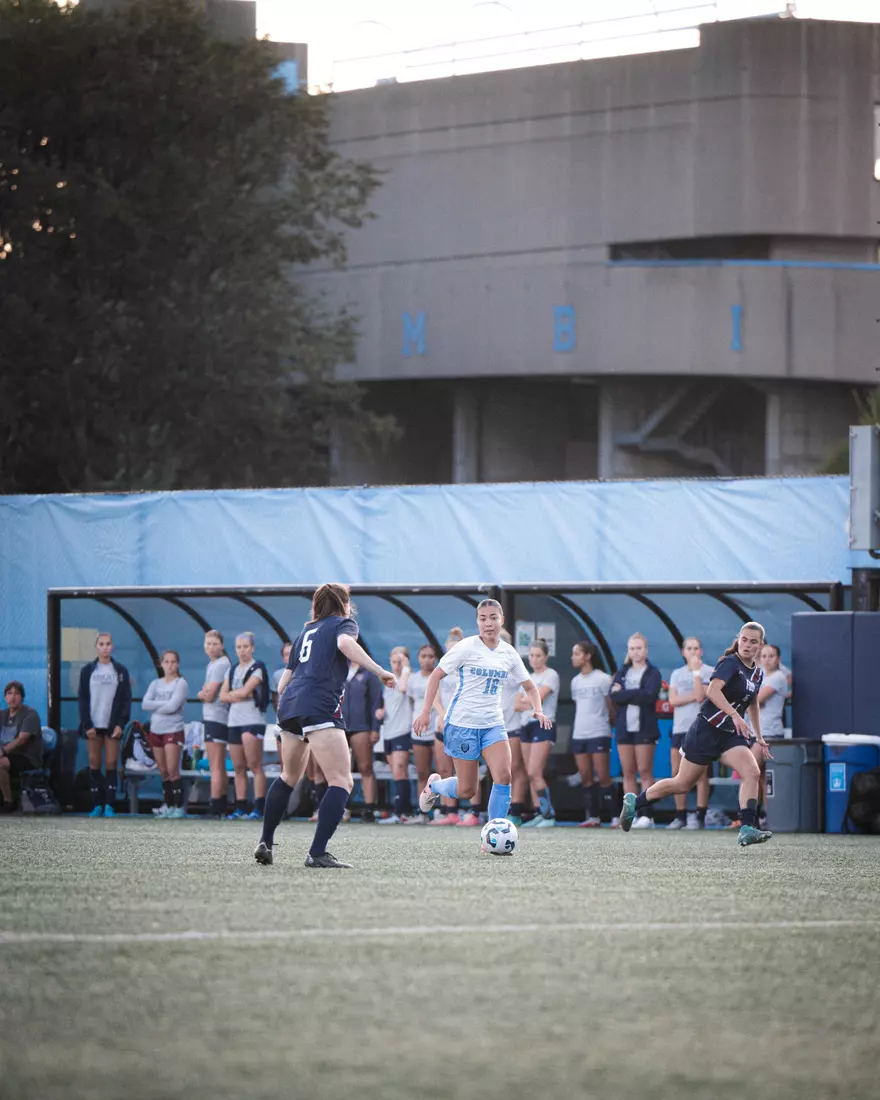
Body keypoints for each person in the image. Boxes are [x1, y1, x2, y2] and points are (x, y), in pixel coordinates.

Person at [254, 582, 396, 868]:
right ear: (344, 604)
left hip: (290, 705)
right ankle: (317, 852)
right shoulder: (343, 625)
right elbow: (344, 645)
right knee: (342, 781)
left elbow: (283, 683)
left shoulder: (304, 632)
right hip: (319, 706)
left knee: (288, 777)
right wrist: (380, 671)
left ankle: (266, 841)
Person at [619, 621, 773, 847]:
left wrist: (759, 736)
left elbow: (752, 705)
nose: (747, 645)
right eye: (744, 640)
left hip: (729, 735)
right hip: (706, 731)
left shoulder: (757, 674)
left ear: (760, 646)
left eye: (752, 642)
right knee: (682, 784)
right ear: (738, 639)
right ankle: (635, 801)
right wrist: (733, 714)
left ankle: (747, 827)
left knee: (752, 771)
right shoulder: (730, 663)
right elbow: (712, 691)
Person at [414, 599, 551, 829]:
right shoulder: (466, 647)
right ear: (477, 622)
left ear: (502, 620)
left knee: (504, 776)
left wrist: (538, 710)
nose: (488, 623)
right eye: (483, 618)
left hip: (493, 725)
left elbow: (529, 686)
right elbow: (435, 676)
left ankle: (493, 832)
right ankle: (434, 787)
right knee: (468, 789)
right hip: (462, 724)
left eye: (493, 618)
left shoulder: (508, 653)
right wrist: (425, 712)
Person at [77, 632, 132, 818]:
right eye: (101, 644)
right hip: (93, 724)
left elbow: (126, 699)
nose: (105, 647)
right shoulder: (87, 671)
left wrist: (120, 724)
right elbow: (82, 699)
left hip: (111, 724)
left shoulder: (120, 670)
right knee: (94, 763)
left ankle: (109, 804)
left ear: (112, 646)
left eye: (108, 643)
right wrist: (87, 724)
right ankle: (97, 805)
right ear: (96, 647)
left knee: (110, 763)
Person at [610, 633, 661, 829]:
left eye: (639, 648)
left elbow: (649, 696)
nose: (636, 652)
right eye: (632, 648)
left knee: (645, 771)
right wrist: (628, 695)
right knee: (628, 773)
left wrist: (624, 694)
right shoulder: (623, 671)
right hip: (624, 729)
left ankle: (647, 815)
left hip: (644, 728)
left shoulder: (653, 672)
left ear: (645, 650)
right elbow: (613, 697)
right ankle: (629, 815)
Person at [220, 632, 269, 820]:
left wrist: (237, 694)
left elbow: (247, 690)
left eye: (245, 647)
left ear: (252, 648)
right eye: (239, 647)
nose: (242, 651)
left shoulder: (258, 667)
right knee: (238, 767)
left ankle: (259, 808)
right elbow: (222, 696)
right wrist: (239, 694)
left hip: (252, 721)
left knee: (254, 765)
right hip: (234, 722)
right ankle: (240, 807)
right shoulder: (231, 670)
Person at [667, 637, 714, 830]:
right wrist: (690, 697)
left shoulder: (709, 671)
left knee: (700, 775)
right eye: (689, 648)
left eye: (696, 648)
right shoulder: (676, 674)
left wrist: (696, 673)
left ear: (701, 651)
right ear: (683, 652)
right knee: (676, 772)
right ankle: (680, 815)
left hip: (700, 728)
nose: (693, 652)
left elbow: (701, 696)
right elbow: (673, 700)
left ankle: (700, 815)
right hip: (679, 728)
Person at [569, 641, 615, 827]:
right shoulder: (575, 681)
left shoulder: (603, 679)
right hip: (579, 734)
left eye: (577, 653)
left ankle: (614, 817)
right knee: (586, 777)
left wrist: (607, 726)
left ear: (588, 656)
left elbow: (611, 707)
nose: (573, 658)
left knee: (603, 776)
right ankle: (593, 817)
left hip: (599, 732)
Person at [517, 639, 560, 828]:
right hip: (526, 725)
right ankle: (538, 813)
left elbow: (538, 699)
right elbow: (517, 705)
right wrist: (530, 701)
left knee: (535, 772)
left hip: (543, 724)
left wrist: (530, 701)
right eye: (532, 655)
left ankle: (549, 814)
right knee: (529, 773)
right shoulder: (527, 677)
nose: (534, 659)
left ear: (546, 657)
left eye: (538, 656)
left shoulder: (551, 675)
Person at [142, 651, 189, 819]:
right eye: (166, 662)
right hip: (156, 730)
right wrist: (163, 704)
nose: (170, 665)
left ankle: (179, 807)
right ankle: (168, 805)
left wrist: (156, 706)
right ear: (161, 664)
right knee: (163, 771)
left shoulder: (181, 683)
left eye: (173, 662)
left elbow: (173, 706)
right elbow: (145, 704)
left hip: (173, 730)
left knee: (172, 770)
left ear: (178, 664)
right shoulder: (155, 683)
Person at [751, 643, 790, 829]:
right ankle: (763, 816)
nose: (767, 659)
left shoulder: (778, 678)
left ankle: (753, 815)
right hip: (756, 732)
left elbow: (755, 699)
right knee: (760, 777)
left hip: (769, 733)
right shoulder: (760, 675)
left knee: (751, 771)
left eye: (771, 656)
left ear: (779, 659)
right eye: (764, 656)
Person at [341, 658, 383, 822]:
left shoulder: (368, 673)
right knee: (341, 770)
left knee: (365, 767)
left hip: (361, 726)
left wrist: (375, 728)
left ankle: (369, 808)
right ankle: (342, 807)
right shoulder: (338, 671)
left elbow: (376, 702)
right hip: (340, 726)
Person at [407, 644, 445, 824]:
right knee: (422, 773)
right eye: (424, 656)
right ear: (418, 658)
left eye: (431, 656)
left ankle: (442, 811)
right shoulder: (413, 679)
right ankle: (423, 812)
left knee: (441, 773)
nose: (428, 659)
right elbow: (411, 703)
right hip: (419, 733)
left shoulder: (441, 677)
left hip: (438, 731)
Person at [375, 647, 414, 824]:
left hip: (403, 731)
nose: (397, 665)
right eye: (394, 662)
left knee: (400, 771)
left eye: (401, 661)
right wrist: (381, 711)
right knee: (396, 774)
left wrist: (406, 668)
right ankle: (402, 811)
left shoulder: (408, 678)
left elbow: (404, 688)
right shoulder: (387, 682)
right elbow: (389, 703)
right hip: (388, 733)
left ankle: (403, 813)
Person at [431, 627, 465, 825]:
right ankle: (447, 810)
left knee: (464, 770)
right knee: (444, 770)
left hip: (460, 724)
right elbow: (435, 697)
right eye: (449, 649)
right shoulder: (442, 669)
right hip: (442, 724)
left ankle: (469, 812)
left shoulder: (466, 669)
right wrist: (443, 715)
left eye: (456, 648)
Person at [196, 630, 231, 819]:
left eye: (215, 643)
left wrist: (201, 694)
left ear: (222, 645)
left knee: (215, 765)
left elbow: (208, 695)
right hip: (215, 718)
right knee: (217, 765)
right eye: (208, 643)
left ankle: (216, 805)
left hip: (216, 718)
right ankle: (221, 804)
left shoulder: (220, 664)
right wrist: (203, 693)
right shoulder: (213, 664)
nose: (211, 647)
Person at [500, 628, 529, 827]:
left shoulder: (516, 665)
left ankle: (515, 811)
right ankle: (498, 810)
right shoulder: (484, 664)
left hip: (514, 724)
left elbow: (524, 695)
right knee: (499, 770)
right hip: (493, 724)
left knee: (515, 768)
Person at [0, 682, 43, 812]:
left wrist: (2, 750)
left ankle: (8, 801)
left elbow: (22, 739)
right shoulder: (2, 715)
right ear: (5, 697)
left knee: (0, 763)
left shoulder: (30, 714)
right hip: (7, 755)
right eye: (9, 693)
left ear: (22, 697)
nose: (13, 697)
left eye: (16, 694)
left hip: (27, 757)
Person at [271, 642, 293, 711]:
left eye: (292, 653)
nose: (290, 656)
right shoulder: (277, 675)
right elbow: (275, 698)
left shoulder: (305, 673)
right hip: (283, 715)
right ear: (283, 658)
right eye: (287, 654)